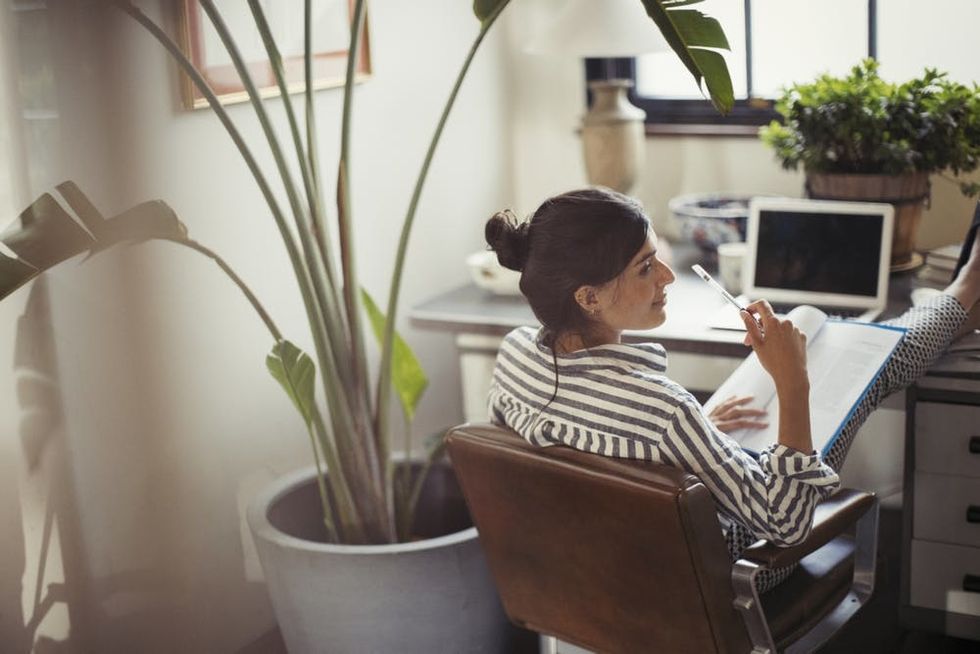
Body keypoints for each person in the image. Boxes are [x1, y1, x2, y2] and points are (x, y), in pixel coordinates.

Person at [484, 187, 980, 592]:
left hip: (593, 578)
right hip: (712, 580)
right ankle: (962, 296)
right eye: (644, 267)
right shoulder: (665, 414)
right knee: (862, 374)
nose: (667, 276)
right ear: (588, 297)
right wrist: (792, 382)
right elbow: (786, 525)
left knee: (841, 368)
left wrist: (678, 445)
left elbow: (561, 457)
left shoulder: (514, 356)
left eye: (658, 257)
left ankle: (961, 302)